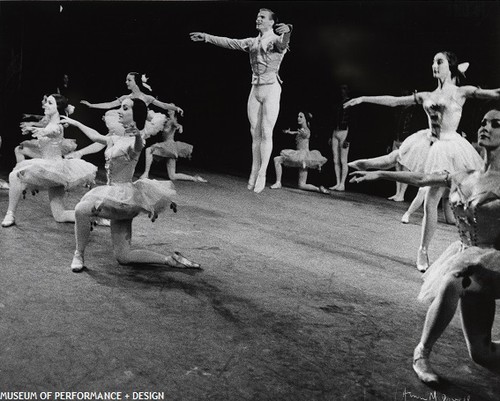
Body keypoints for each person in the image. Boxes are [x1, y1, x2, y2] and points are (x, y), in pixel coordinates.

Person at [349, 106, 500, 385]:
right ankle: (425, 355)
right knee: (482, 353)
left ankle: (422, 352)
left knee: (454, 280)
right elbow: (421, 179)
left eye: (496, 124)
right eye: (483, 122)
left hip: (494, 262)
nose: (485, 127)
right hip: (469, 257)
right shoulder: (464, 174)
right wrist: (380, 175)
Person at [345, 51, 500, 272]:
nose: (434, 66)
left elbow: (493, 93)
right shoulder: (426, 94)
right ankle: (362, 165)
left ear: (451, 66)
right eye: (433, 62)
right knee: (395, 159)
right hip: (429, 142)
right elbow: (394, 101)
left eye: (439, 62)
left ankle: (423, 250)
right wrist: (364, 99)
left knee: (431, 198)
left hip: (450, 147)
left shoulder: (461, 92)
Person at [61, 98, 200, 273]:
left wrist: (136, 134)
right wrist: (75, 123)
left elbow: (138, 146)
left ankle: (78, 254)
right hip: (115, 196)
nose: (119, 111)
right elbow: (96, 136)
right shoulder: (115, 138)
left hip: (123, 197)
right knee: (123, 256)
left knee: (81, 209)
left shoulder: (136, 140)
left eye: (125, 108)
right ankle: (169, 260)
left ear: (135, 115)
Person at [190, 8, 292, 193]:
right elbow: (230, 43)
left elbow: (283, 43)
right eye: (257, 16)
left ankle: (262, 173)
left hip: (271, 88)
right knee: (255, 132)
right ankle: (254, 170)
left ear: (271, 22)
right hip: (255, 88)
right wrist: (206, 37)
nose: (258, 19)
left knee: (267, 131)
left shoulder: (275, 39)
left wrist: (287, 31)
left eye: (262, 17)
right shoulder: (252, 42)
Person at [1, 94, 97, 227]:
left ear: (58, 108)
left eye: (50, 103)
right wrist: (35, 128)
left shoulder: (58, 125)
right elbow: (46, 129)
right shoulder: (49, 122)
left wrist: (37, 130)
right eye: (46, 102)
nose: (45, 105)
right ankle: (92, 216)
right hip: (51, 168)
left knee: (14, 175)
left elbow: (53, 131)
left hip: (54, 167)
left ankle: (10, 214)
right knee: (60, 215)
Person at [140, 109, 207, 182]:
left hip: (170, 146)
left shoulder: (172, 120)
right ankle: (194, 178)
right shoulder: (165, 119)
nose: (169, 111)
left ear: (174, 111)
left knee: (149, 150)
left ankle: (146, 173)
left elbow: (176, 124)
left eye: (171, 109)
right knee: (172, 176)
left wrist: (180, 127)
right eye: (168, 109)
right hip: (167, 147)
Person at [270, 111, 328, 193]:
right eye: (298, 116)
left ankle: (278, 182)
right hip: (303, 158)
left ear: (305, 119)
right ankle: (319, 189)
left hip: (302, 156)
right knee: (302, 185)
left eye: (301, 117)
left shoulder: (306, 130)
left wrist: (304, 134)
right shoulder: (302, 129)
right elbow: (297, 132)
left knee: (277, 159)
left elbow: (306, 134)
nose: (298, 118)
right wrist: (289, 132)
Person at [330, 84, 351, 192]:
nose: (342, 91)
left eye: (344, 89)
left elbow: (353, 122)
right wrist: (331, 135)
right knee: (335, 159)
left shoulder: (350, 103)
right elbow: (334, 119)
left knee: (343, 160)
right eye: (341, 89)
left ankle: (342, 184)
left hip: (344, 132)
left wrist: (348, 138)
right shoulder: (338, 104)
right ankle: (337, 182)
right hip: (335, 131)